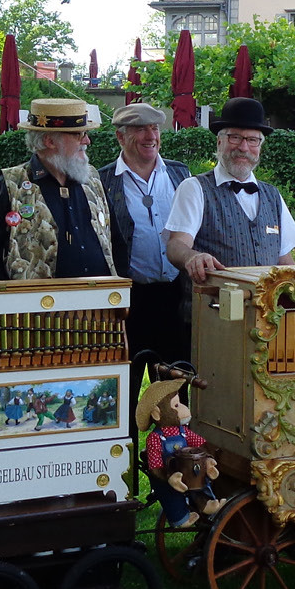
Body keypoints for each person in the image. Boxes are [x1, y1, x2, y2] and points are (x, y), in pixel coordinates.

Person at [0, 97, 116, 280]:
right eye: (79, 134)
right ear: (49, 141)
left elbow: (116, 243)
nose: (87, 141)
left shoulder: (93, 179)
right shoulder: (11, 183)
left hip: (100, 297)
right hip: (35, 298)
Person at [100, 103, 191, 382]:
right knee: (124, 386)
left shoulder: (181, 174)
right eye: (140, 129)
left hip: (175, 297)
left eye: (154, 128)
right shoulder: (102, 181)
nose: (151, 136)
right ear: (120, 137)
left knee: (174, 389)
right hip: (129, 301)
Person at [165, 97, 295, 279]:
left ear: (260, 147)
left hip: (265, 298)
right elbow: (176, 245)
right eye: (235, 137)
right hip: (213, 297)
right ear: (219, 142)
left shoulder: (273, 195)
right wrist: (192, 257)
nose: (243, 147)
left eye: (252, 140)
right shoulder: (194, 188)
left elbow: (285, 260)